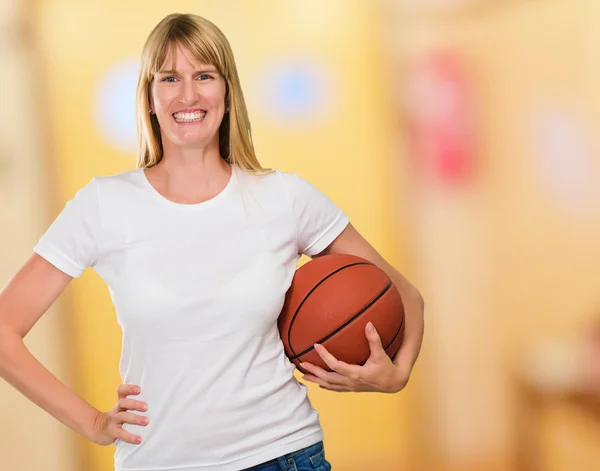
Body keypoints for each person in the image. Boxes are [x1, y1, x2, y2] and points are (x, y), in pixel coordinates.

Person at [0, 13, 424, 471]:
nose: (188, 95)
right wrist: (94, 423)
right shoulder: (104, 204)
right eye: (169, 78)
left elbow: (407, 296)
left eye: (204, 75)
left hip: (284, 455)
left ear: (227, 91)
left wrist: (396, 375)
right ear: (149, 96)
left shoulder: (284, 197)